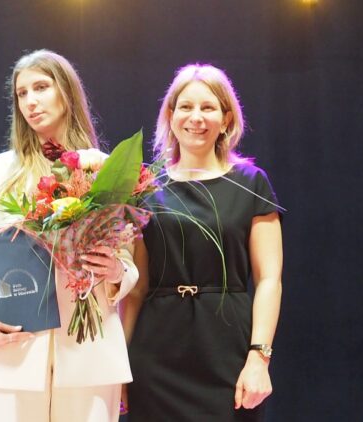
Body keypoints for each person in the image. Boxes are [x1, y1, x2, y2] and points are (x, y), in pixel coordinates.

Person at [0, 49, 138, 422]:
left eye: (41, 87)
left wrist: (116, 273)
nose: (30, 101)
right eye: (21, 93)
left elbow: (126, 261)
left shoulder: (103, 168)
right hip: (14, 348)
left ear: (66, 92)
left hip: (89, 352)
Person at [122, 63, 284, 421]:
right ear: (170, 116)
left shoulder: (251, 182)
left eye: (208, 107)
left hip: (227, 351)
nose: (196, 117)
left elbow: (269, 280)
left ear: (226, 119)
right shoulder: (146, 187)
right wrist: (120, 366)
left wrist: (259, 357)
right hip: (156, 355)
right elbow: (136, 289)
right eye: (186, 106)